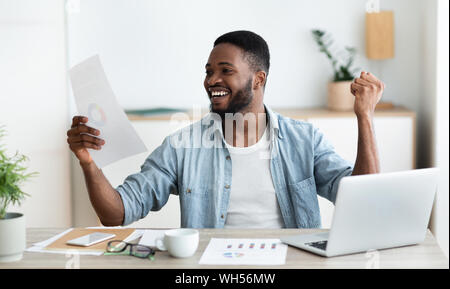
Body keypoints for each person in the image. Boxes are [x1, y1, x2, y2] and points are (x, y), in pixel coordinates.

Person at [66, 30, 384, 228]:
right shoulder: (182, 146)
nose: (211, 80)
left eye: (225, 70)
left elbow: (364, 200)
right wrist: (87, 163)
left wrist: (365, 116)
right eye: (208, 71)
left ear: (258, 79)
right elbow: (117, 213)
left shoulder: (304, 140)